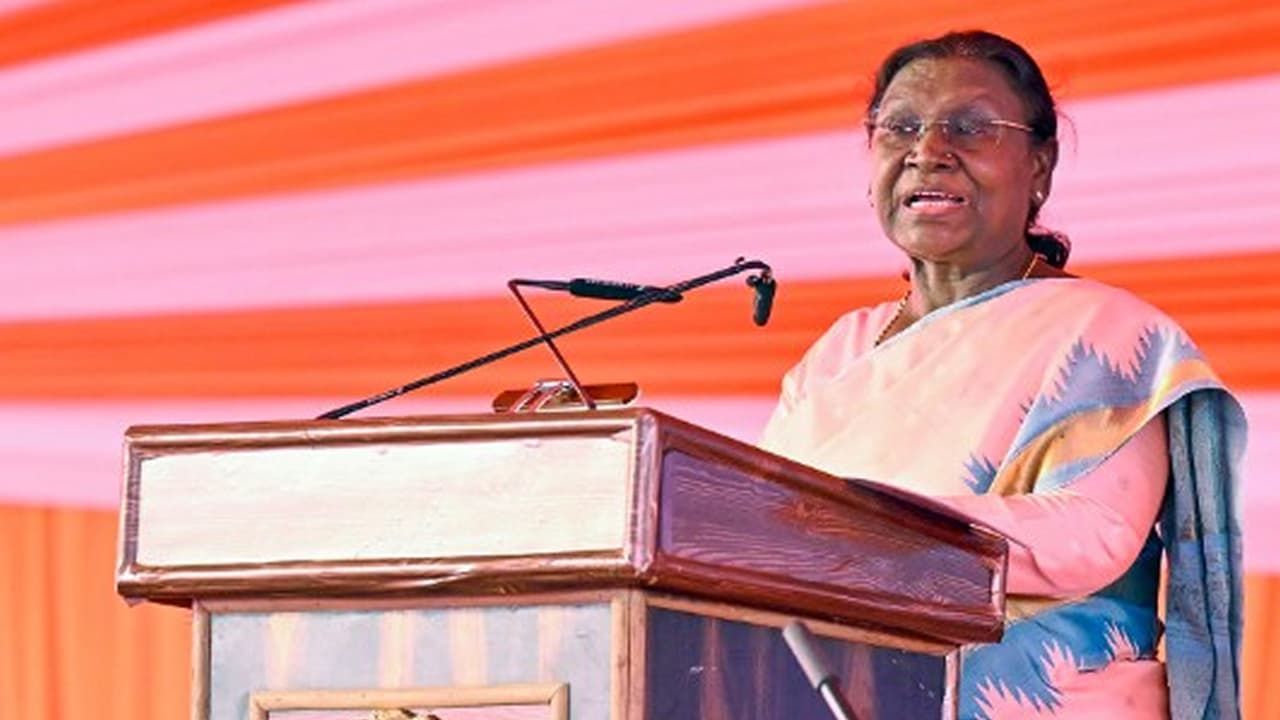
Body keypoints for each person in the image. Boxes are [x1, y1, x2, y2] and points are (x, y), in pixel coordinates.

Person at [758, 30, 1245, 720]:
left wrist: (859, 524)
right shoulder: (841, 349)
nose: (928, 151)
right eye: (900, 127)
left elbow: (1090, 534)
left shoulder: (1109, 330)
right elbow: (759, 526)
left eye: (970, 127)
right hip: (839, 692)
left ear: (1040, 166)